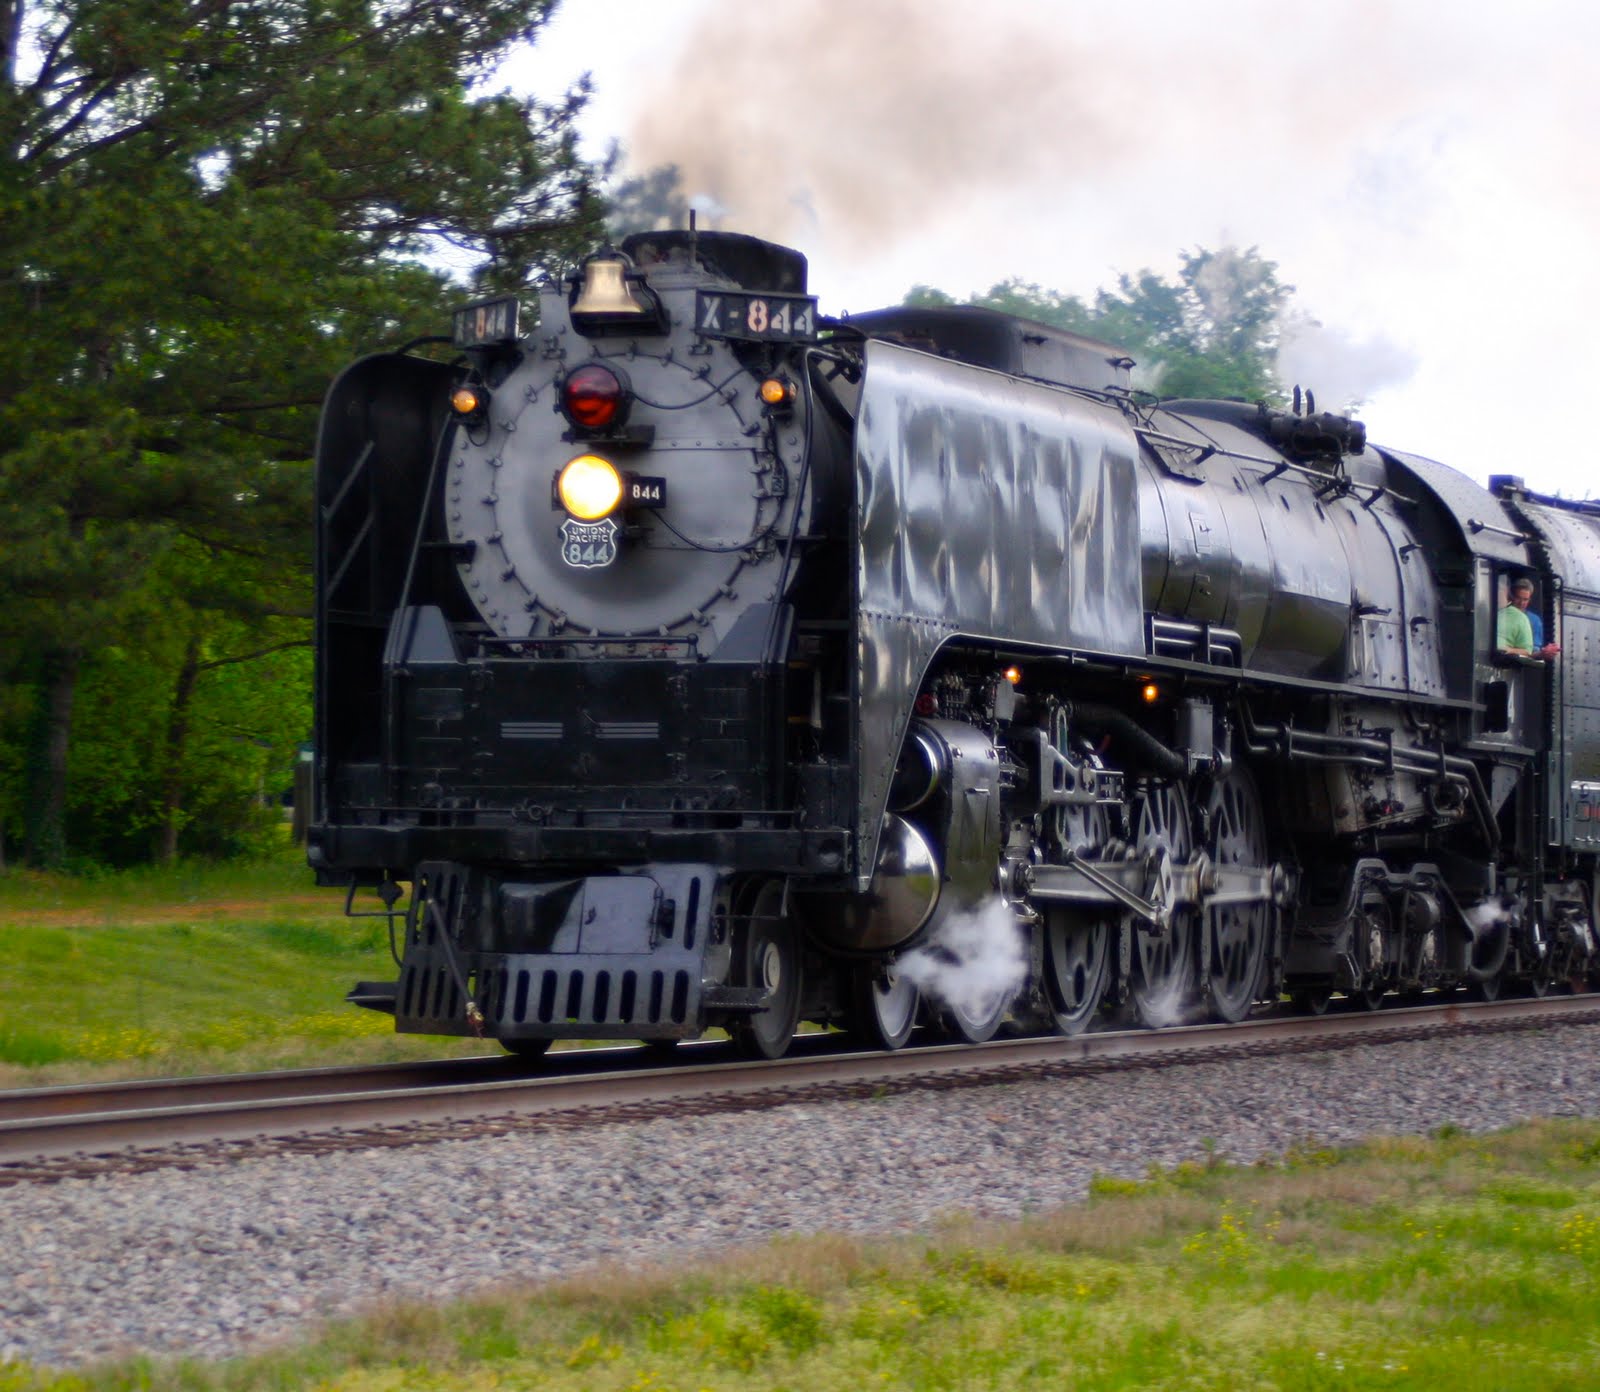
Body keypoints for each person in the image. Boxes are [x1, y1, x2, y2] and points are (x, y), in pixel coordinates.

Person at [1498, 577, 1560, 659]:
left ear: (1529, 599)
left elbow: (1532, 651)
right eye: (1518, 598)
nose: (1521, 603)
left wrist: (1509, 650)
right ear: (1511, 596)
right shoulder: (1501, 613)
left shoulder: (1535, 621)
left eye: (1525, 599)